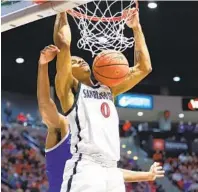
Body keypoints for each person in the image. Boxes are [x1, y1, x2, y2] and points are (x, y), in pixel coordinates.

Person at [42, 8, 164, 191]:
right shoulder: (70, 90)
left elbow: (144, 68)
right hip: (86, 166)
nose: (80, 61)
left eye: (80, 59)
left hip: (112, 168)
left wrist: (136, 28)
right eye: (73, 62)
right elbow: (64, 43)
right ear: (67, 70)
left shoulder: (108, 90)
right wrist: (62, 9)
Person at [37, 50, 72, 192]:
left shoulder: (91, 134)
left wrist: (147, 175)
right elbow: (45, 103)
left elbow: (111, 173)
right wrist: (43, 65)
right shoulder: (63, 125)